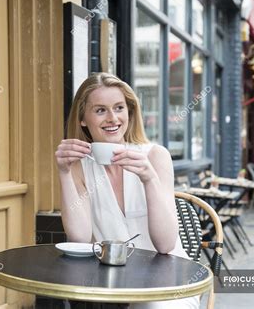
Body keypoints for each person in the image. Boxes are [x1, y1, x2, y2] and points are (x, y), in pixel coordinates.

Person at [55, 73, 199, 308]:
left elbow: (165, 245)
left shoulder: (154, 156)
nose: (113, 118)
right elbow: (79, 238)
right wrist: (64, 172)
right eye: (100, 110)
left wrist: (149, 178)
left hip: (165, 285)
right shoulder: (79, 166)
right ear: (83, 118)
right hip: (112, 285)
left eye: (119, 108)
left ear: (129, 112)